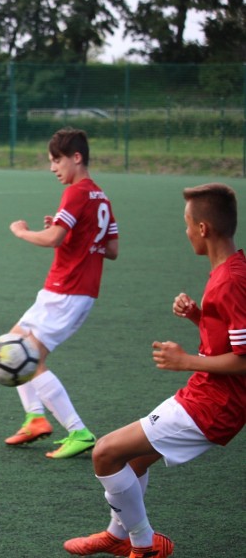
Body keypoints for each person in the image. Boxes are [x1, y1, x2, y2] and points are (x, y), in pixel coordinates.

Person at [64, 183, 246, 558]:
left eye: (186, 223)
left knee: (105, 453)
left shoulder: (230, 281)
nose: (184, 231)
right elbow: (230, 339)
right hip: (206, 393)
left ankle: (144, 546)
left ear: (202, 229)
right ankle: (118, 536)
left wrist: (186, 361)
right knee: (132, 459)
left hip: (215, 405)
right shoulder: (230, 269)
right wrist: (199, 316)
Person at [3, 127, 119, 459]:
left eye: (57, 160)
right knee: (14, 346)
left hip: (67, 290)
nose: (53, 167)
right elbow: (110, 249)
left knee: (31, 358)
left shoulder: (77, 193)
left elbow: (53, 239)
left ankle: (78, 431)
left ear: (76, 157)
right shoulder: (101, 197)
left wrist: (23, 232)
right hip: (70, 291)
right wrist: (71, 230)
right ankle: (35, 418)